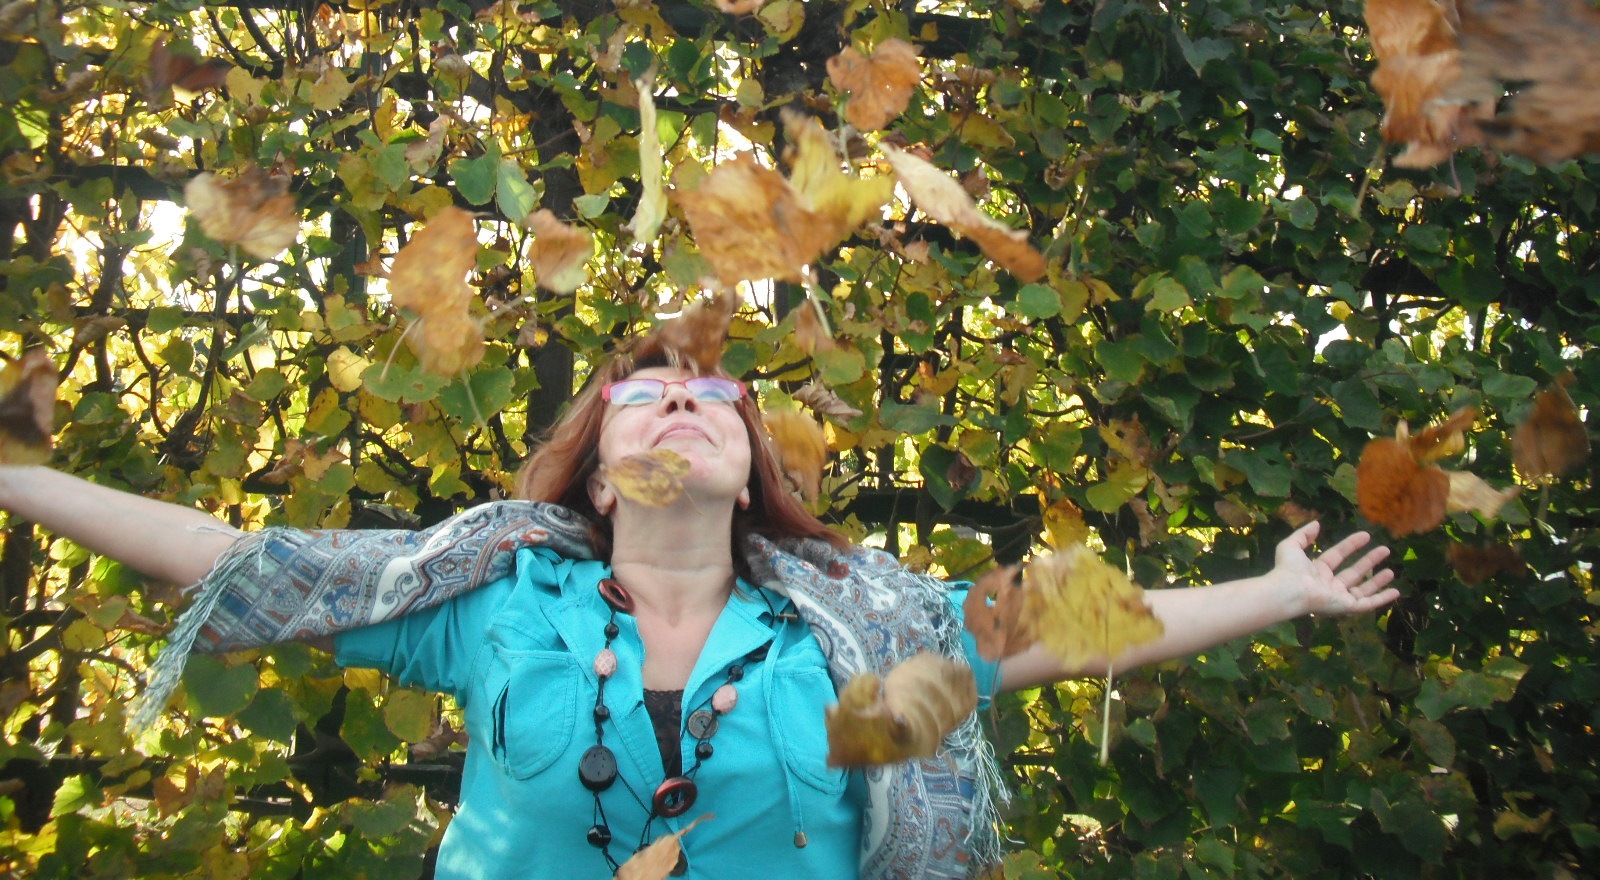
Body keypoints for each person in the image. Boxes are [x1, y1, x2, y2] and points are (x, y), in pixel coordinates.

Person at [0, 333, 1398, 880]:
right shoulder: (488, 604)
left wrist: (1281, 589)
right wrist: (16, 477)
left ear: (750, 468)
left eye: (715, 396)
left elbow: (1096, 620)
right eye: (647, 395)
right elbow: (231, 557)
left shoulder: (868, 632)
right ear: (598, 470)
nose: (684, 402)